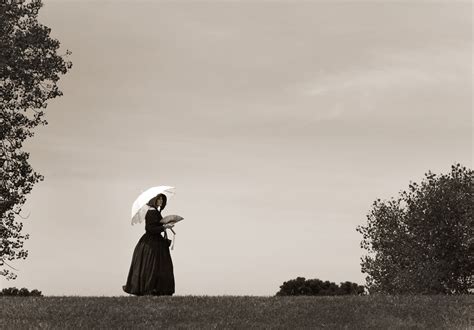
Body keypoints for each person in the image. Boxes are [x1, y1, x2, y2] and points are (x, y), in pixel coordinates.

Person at [123, 193, 175, 296]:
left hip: (156, 241)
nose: (161, 201)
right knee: (153, 265)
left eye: (161, 199)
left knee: (158, 265)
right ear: (153, 200)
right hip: (151, 243)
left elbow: (155, 225)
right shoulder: (152, 212)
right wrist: (164, 227)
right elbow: (149, 229)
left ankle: (156, 289)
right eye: (158, 199)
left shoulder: (155, 211)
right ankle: (152, 289)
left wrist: (166, 225)